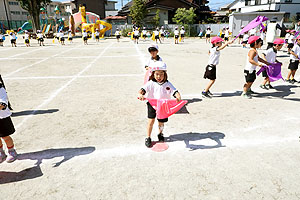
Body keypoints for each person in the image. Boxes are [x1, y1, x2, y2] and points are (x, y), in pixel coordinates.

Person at [138, 61, 182, 147]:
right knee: (151, 121)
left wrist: (178, 96)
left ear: (165, 74)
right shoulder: (151, 83)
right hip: (152, 105)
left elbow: (175, 91)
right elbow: (142, 90)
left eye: (161, 74)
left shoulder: (167, 84)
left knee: (161, 123)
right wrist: (140, 94)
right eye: (157, 74)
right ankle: (148, 137)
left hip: (162, 106)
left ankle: (160, 133)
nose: (159, 76)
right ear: (153, 74)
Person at [0, 77, 18, 163]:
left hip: (2, 117)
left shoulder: (1, 89)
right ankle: (1, 152)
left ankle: (12, 151)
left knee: (5, 136)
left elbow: (3, 104)